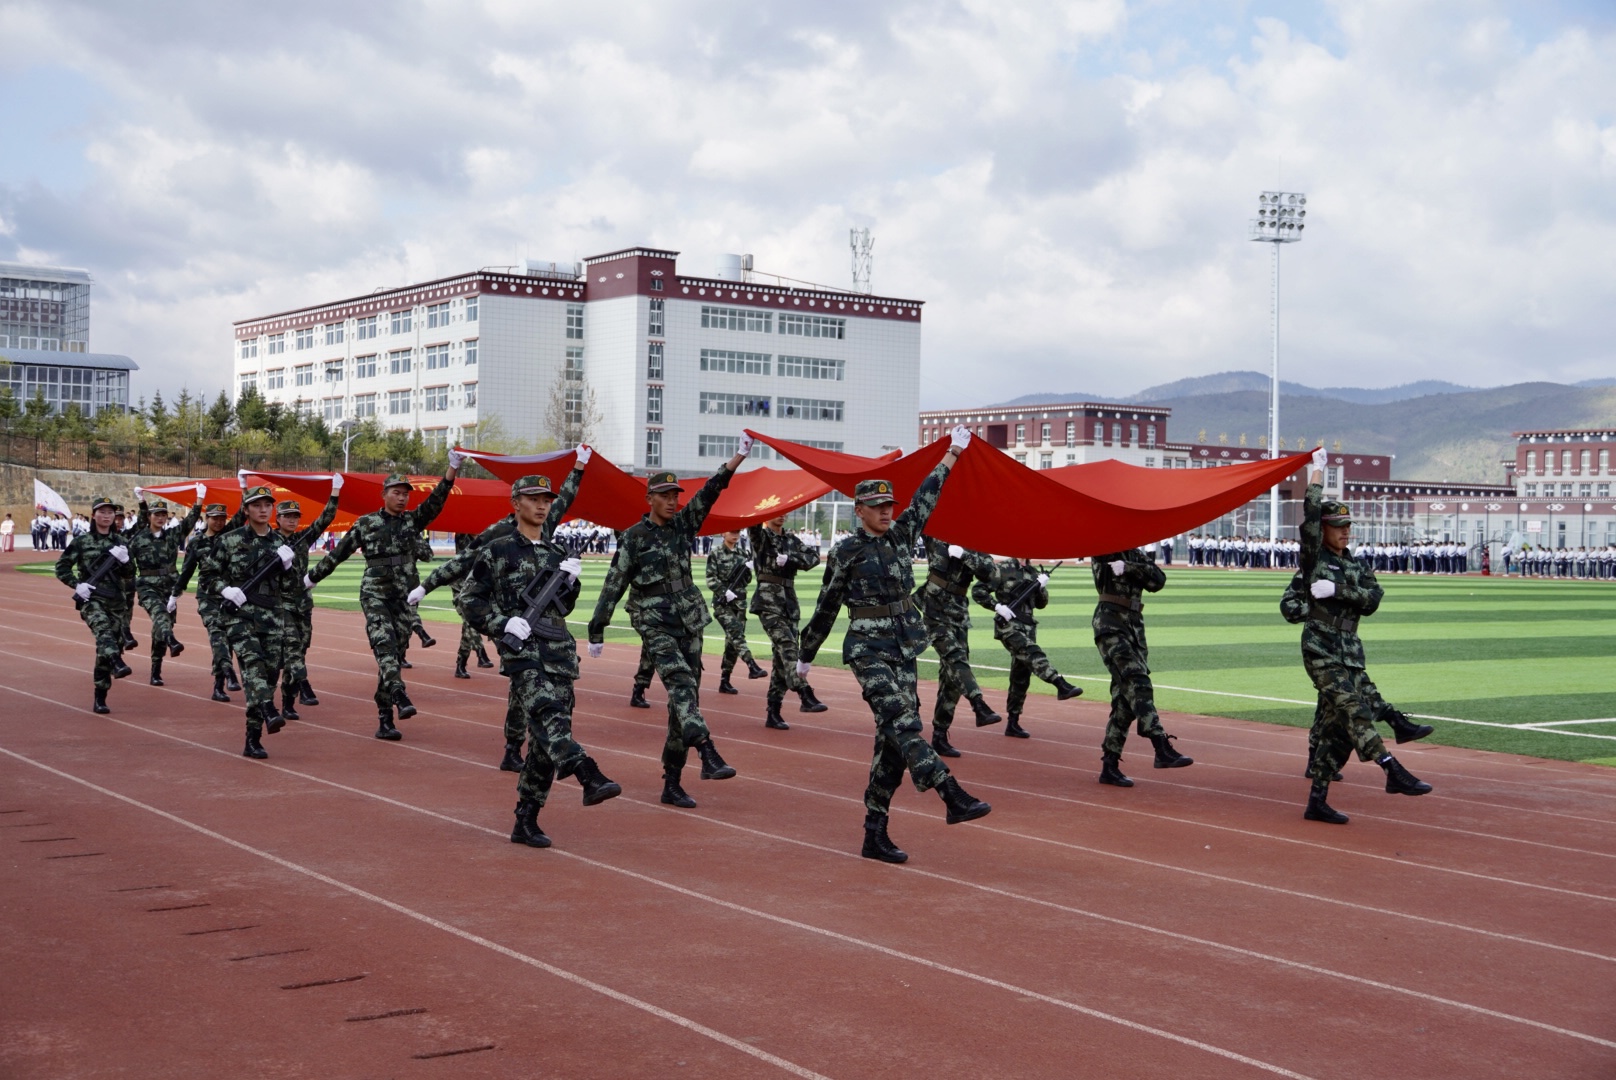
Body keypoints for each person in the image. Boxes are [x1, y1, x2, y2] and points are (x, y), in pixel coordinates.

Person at [798, 425, 992, 865]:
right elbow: (827, 606)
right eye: (878, 506)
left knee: (892, 745)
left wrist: (953, 453)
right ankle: (949, 792)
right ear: (859, 510)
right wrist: (805, 656)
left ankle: (874, 833)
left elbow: (927, 495)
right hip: (867, 651)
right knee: (904, 724)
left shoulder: (903, 536)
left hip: (904, 649)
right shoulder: (846, 552)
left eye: (890, 505)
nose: (887, 511)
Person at [460, 459, 621, 847]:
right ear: (516, 503)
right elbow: (469, 600)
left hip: (560, 652)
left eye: (547, 500)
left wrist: (572, 583)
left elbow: (562, 607)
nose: (542, 505)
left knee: (545, 742)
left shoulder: (556, 552)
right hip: (524, 653)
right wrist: (502, 623)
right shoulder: (497, 551)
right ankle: (586, 771)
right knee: (549, 714)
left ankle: (526, 819)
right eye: (534, 499)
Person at [587, 439, 750, 809]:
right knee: (680, 683)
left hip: (689, 619)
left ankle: (672, 783)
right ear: (650, 498)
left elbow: (711, 491)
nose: (673, 501)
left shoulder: (683, 526)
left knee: (684, 701)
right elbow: (614, 584)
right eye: (664, 495)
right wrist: (598, 628)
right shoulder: (634, 537)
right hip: (653, 621)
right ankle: (707, 750)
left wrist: (737, 457)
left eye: (675, 495)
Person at [1286, 449, 1431, 824]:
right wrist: (1317, 471)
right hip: (1320, 650)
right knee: (1354, 710)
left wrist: (1338, 591)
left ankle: (1317, 801)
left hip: (1350, 650)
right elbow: (1310, 511)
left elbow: (1373, 600)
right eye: (1338, 526)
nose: (1345, 530)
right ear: (1323, 529)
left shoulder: (1356, 565)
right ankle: (1391, 768)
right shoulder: (1314, 558)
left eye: (1348, 525)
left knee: (1335, 732)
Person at [307, 456, 461, 739]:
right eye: (396, 493)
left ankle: (385, 718)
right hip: (375, 595)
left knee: (393, 656)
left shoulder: (412, 521)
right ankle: (399, 693)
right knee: (385, 647)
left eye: (405, 494)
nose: (402, 498)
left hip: (404, 599)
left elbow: (437, 501)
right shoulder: (367, 523)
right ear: (384, 494)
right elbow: (338, 553)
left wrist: (452, 471)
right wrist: (311, 578)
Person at [414, 508, 525, 768]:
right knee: (471, 625)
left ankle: (467, 660)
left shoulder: (524, 532)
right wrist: (425, 586)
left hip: (501, 600)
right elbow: (462, 560)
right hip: (467, 587)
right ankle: (467, 660)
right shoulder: (483, 534)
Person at [204, 485, 299, 758]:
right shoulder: (229, 540)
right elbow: (208, 576)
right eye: (257, 505)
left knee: (269, 675)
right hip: (240, 615)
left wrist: (289, 567)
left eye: (267, 505)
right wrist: (225, 590)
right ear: (246, 510)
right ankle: (269, 709)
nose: (263, 509)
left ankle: (253, 737)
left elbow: (291, 587)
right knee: (253, 665)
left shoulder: (280, 543)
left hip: (272, 617)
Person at [1090, 547, 1192, 785]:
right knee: (1138, 682)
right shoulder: (1104, 549)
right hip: (1110, 623)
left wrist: (1129, 568)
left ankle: (1109, 766)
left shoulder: (1134, 554)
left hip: (1134, 627)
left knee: (1124, 701)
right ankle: (1160, 745)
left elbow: (1158, 580)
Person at [971, 558, 1083, 739]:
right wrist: (997, 607)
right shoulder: (1003, 568)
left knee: (1021, 675)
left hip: (1028, 626)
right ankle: (1059, 683)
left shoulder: (1032, 572)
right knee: (1032, 652)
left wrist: (1041, 587)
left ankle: (1013, 722)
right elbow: (978, 590)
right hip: (1008, 626)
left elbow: (1041, 604)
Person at [916, 537, 1002, 757]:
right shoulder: (935, 534)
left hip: (958, 613)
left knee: (951, 678)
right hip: (933, 610)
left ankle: (939, 735)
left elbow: (991, 574)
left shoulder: (975, 542)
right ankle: (978, 704)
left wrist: (965, 555)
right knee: (955, 657)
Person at [55, 494, 136, 713]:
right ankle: (117, 662)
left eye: (110, 512)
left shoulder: (121, 542)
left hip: (116, 602)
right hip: (92, 599)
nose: (107, 516)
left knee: (106, 648)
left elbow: (130, 574)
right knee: (103, 631)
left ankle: (100, 695)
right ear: (93, 515)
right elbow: (61, 568)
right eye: (102, 512)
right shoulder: (82, 541)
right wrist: (77, 585)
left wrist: (126, 561)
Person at [747, 515, 827, 729]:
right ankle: (804, 692)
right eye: (777, 511)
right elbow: (752, 523)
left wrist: (791, 559)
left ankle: (773, 712)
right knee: (788, 646)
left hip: (789, 604)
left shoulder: (792, 540)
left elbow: (814, 558)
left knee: (781, 660)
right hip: (768, 602)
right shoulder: (761, 537)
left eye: (784, 512)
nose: (781, 515)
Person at [271, 481, 343, 720]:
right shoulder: (268, 542)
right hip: (280, 604)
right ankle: (303, 684)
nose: (292, 520)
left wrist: (335, 493)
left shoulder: (301, 539)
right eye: (287, 516)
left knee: (299, 651)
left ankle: (288, 703)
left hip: (302, 604)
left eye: (295, 517)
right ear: (278, 519)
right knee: (292, 648)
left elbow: (324, 520)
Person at [172, 489, 246, 702]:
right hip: (208, 596)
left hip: (230, 596)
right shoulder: (197, 542)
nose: (219, 522)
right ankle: (229, 673)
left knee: (228, 640)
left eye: (222, 518)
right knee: (217, 635)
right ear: (207, 519)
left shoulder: (229, 536)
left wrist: (243, 488)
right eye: (215, 518)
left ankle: (218, 686)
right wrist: (175, 594)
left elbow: (243, 512)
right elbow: (187, 570)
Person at [127, 490, 201, 686]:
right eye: (156, 514)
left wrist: (199, 500)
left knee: (160, 629)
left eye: (163, 515)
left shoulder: (172, 535)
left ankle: (156, 670)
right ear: (149, 516)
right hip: (147, 587)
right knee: (160, 615)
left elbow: (190, 521)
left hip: (170, 589)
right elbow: (124, 564)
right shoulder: (138, 538)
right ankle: (173, 641)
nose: (160, 518)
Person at [704, 530, 767, 696]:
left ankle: (725, 681)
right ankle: (752, 665)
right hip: (722, 603)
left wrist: (748, 570)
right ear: (723, 533)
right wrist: (724, 591)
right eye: (732, 532)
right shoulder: (716, 553)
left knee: (732, 643)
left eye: (737, 532)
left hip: (739, 603)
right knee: (736, 634)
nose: (735, 535)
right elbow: (710, 579)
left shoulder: (743, 554)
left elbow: (747, 581)